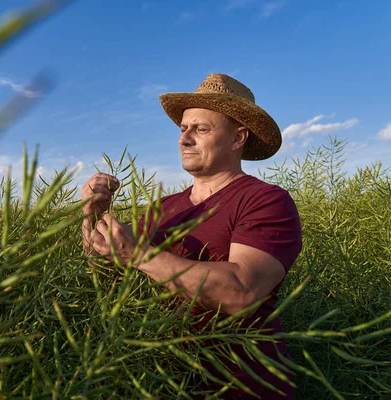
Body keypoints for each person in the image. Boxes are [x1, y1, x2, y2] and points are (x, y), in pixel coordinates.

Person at [81, 73, 302, 399]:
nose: (184, 139)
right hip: (170, 384)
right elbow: (104, 275)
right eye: (183, 129)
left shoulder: (265, 201)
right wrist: (91, 215)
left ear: (237, 138)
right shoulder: (162, 208)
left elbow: (242, 291)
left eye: (200, 129)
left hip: (242, 386)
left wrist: (138, 254)